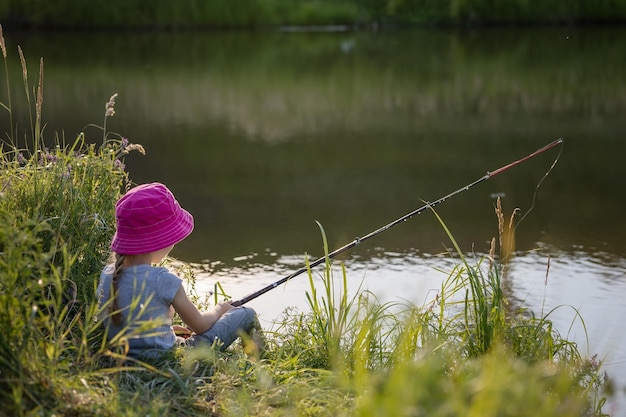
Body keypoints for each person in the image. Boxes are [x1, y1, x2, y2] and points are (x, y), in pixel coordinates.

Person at [97, 182, 262, 359]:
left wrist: (165, 332)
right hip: (171, 358)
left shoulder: (108, 274)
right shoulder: (163, 279)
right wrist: (219, 310)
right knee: (247, 315)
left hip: (124, 356)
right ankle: (261, 366)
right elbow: (200, 326)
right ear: (160, 240)